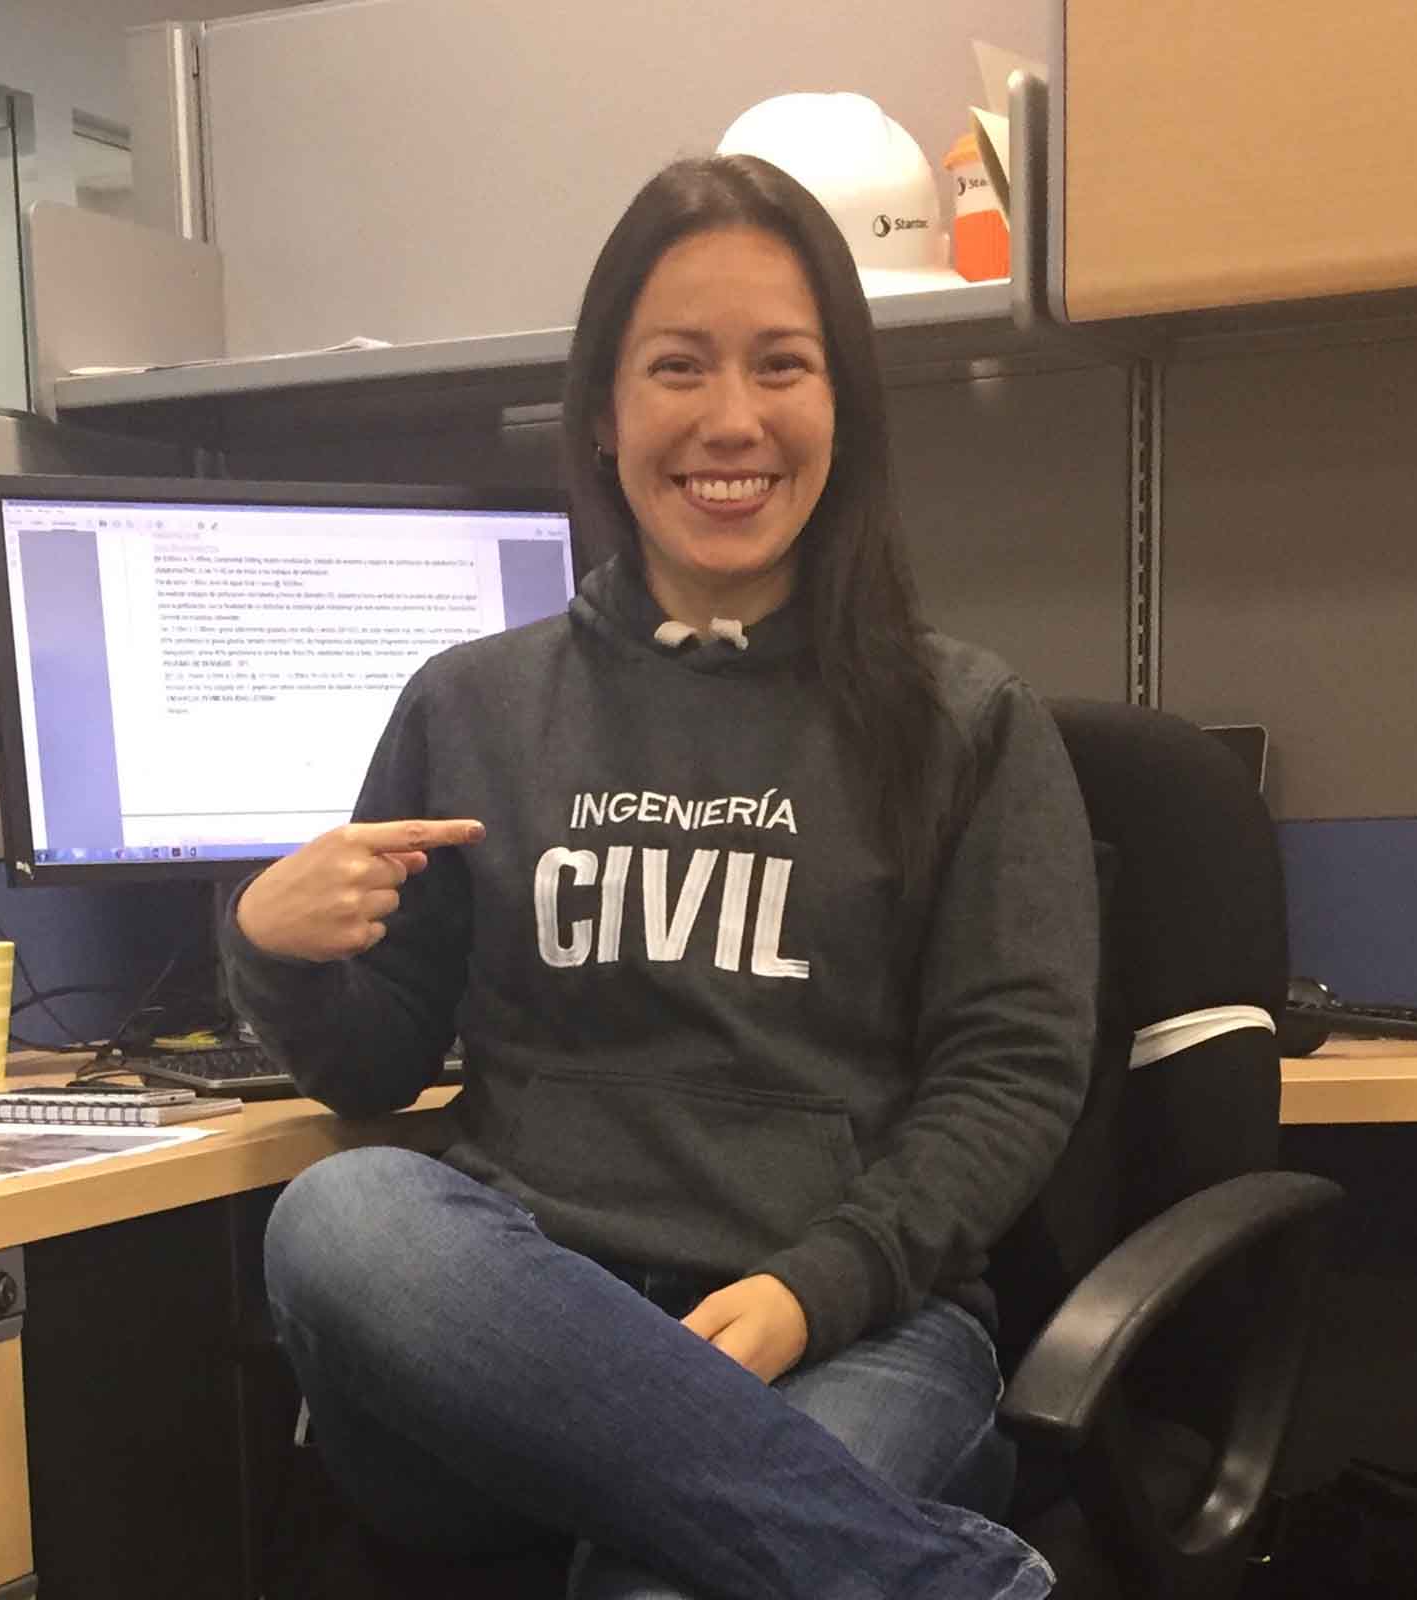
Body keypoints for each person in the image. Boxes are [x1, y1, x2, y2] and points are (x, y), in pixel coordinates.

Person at [224, 154, 1098, 1600]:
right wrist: (275, 947)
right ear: (602, 412)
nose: (730, 420)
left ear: (843, 408)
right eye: (679, 367)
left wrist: (810, 1288)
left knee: (659, 1585)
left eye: (782, 366)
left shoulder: (963, 721)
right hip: (520, 1330)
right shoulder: (471, 706)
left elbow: (1010, 1080)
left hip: (848, 1327)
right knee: (340, 1218)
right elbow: (375, 1066)